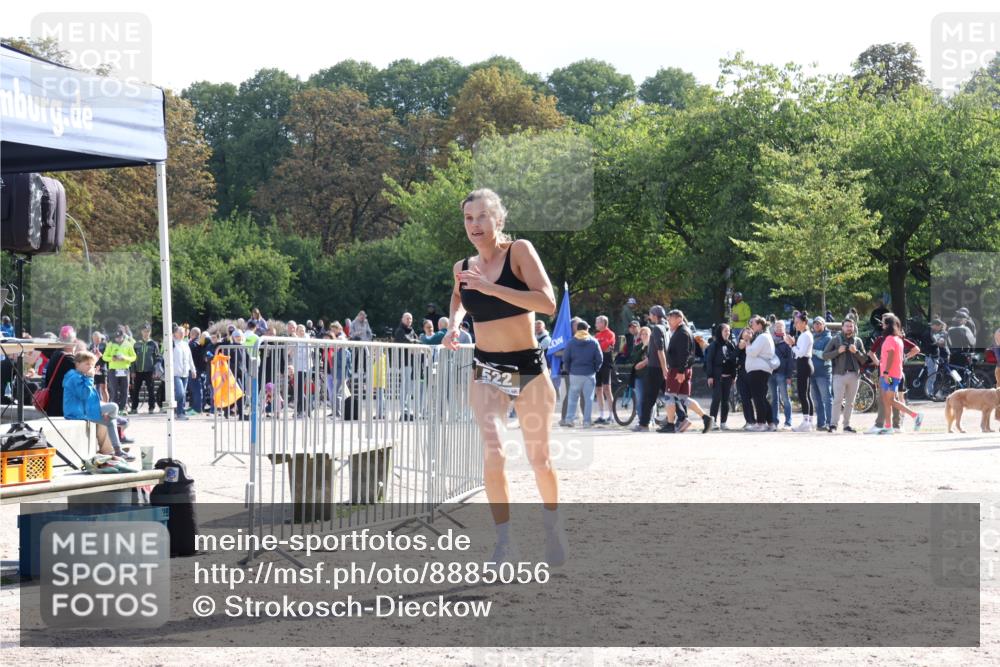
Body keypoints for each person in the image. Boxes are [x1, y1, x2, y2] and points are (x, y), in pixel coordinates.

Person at [443, 188, 566, 566]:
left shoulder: (520, 252)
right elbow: (459, 298)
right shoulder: (463, 266)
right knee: (494, 451)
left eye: (482, 217)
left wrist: (490, 288)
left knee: (539, 460)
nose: (475, 225)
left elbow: (546, 303)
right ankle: (504, 542)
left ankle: (551, 526)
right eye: (468, 218)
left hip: (527, 368)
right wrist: (454, 325)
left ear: (499, 220)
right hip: (488, 369)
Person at [63, 351, 136, 461]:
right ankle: (118, 442)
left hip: (85, 409)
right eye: (87, 364)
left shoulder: (80, 375)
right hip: (77, 412)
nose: (90, 367)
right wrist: (90, 378)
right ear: (77, 364)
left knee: (110, 420)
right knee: (113, 408)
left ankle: (118, 450)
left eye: (92, 365)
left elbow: (89, 397)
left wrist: (100, 407)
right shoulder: (74, 377)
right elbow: (84, 395)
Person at [871, 314, 924, 435]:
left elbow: (890, 357)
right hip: (892, 374)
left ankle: (915, 415)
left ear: (888, 325)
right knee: (887, 399)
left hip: (889, 375)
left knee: (890, 400)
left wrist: (885, 372)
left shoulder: (890, 339)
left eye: (884, 323)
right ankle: (888, 426)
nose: (882, 325)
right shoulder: (898, 339)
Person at [660, 309, 711, 433]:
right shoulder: (683, 331)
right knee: (683, 398)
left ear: (679, 318)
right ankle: (706, 418)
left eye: (670, 318)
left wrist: (681, 371)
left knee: (669, 396)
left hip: (678, 369)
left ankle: (670, 425)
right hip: (683, 369)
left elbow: (684, 353)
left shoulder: (682, 332)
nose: (668, 321)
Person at [823, 317, 867, 433]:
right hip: (839, 375)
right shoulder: (835, 340)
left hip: (854, 375)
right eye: (847, 326)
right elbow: (825, 355)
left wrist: (856, 352)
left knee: (850, 402)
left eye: (851, 326)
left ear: (854, 327)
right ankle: (833, 425)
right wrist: (838, 351)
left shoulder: (857, 341)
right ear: (842, 327)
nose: (849, 328)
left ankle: (846, 425)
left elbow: (864, 360)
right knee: (837, 400)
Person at [632, 306, 669, 432]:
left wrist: (664, 369)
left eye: (650, 314)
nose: (649, 316)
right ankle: (681, 418)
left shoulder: (658, 328)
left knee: (648, 397)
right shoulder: (666, 328)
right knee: (670, 395)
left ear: (655, 315)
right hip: (661, 367)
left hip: (655, 368)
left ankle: (644, 424)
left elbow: (660, 350)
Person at [560, 321, 603, 428]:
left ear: (577, 329)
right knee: (588, 399)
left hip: (575, 373)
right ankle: (587, 422)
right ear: (587, 329)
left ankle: (569, 419)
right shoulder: (594, 341)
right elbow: (600, 358)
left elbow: (565, 358)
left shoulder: (571, 342)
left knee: (572, 398)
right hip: (589, 374)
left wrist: (570, 370)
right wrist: (595, 369)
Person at [705, 323, 738, 430]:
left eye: (728, 331)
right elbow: (709, 361)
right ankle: (712, 422)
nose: (727, 333)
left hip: (728, 377)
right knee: (716, 399)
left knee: (725, 401)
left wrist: (734, 375)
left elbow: (733, 361)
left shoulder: (731, 344)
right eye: (725, 331)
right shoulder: (714, 345)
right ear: (720, 332)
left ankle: (723, 422)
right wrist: (710, 376)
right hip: (717, 377)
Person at [39, 326, 79, 417]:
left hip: (53, 404)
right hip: (63, 406)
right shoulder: (68, 359)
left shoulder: (56, 354)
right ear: (75, 342)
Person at [785, 311, 815, 432]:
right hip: (805, 363)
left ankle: (806, 422)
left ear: (804, 323)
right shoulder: (805, 334)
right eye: (795, 323)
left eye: (797, 323)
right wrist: (793, 344)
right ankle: (809, 422)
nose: (795, 325)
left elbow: (801, 352)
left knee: (803, 394)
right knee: (807, 394)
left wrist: (792, 345)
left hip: (804, 363)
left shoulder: (805, 335)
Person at [745, 316, 775, 431]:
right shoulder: (764, 336)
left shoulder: (762, 337)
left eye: (752, 323)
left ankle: (761, 423)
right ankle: (771, 422)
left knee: (758, 397)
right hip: (760, 370)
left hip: (758, 371)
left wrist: (748, 342)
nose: (751, 325)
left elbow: (752, 352)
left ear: (759, 325)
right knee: (761, 397)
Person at [768, 320, 794, 430]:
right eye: (777, 326)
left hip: (782, 374)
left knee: (785, 398)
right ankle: (775, 421)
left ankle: (788, 422)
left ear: (784, 328)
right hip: (771, 373)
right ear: (774, 328)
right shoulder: (770, 340)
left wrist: (789, 376)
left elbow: (790, 360)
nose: (778, 328)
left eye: (781, 327)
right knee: (774, 399)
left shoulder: (787, 341)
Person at [104, 325, 136, 412]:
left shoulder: (128, 344)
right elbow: (104, 357)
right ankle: (114, 409)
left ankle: (123, 408)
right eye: (116, 337)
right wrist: (111, 358)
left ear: (123, 336)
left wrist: (125, 358)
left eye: (120, 337)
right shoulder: (110, 344)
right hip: (113, 370)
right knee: (113, 390)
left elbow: (134, 357)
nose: (118, 339)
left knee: (124, 390)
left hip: (124, 370)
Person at [810, 317, 834, 431]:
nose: (817, 326)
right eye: (815, 324)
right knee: (817, 400)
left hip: (823, 373)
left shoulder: (828, 338)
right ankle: (821, 424)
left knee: (827, 399)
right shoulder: (812, 336)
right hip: (812, 373)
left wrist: (812, 351)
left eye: (819, 324)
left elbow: (825, 355)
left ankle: (830, 423)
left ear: (824, 325)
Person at [131, 324, 161, 414]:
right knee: (136, 390)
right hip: (138, 371)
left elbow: (157, 358)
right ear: (141, 332)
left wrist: (155, 370)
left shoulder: (154, 344)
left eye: (147, 331)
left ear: (150, 332)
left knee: (151, 390)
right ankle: (134, 408)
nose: (146, 333)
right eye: (144, 331)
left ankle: (151, 407)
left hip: (149, 371)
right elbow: (133, 358)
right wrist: (132, 371)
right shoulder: (136, 344)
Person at [593, 315, 616, 425]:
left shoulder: (610, 333)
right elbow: (596, 348)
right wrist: (600, 347)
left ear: (603, 323)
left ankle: (611, 415)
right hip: (597, 364)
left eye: (598, 322)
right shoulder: (596, 335)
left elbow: (604, 346)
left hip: (606, 364)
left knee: (607, 388)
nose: (596, 324)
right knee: (598, 390)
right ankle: (601, 415)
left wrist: (600, 347)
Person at [919, 319, 949, 400]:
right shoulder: (929, 333)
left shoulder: (932, 332)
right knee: (932, 376)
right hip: (931, 357)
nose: (940, 328)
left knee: (933, 376)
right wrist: (937, 343)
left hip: (933, 356)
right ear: (935, 325)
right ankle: (929, 394)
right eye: (940, 326)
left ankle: (930, 393)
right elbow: (930, 345)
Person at [171, 326, 196, 420]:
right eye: (179, 332)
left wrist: (193, 370)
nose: (182, 333)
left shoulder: (186, 344)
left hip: (185, 373)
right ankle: (179, 412)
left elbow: (190, 358)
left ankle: (180, 411)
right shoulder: (172, 343)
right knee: (180, 393)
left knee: (183, 393)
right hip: (175, 373)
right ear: (174, 333)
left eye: (183, 332)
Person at [628, 326, 650, 416]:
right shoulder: (638, 347)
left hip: (649, 376)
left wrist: (643, 363)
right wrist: (642, 348)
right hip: (639, 377)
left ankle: (650, 419)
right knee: (639, 398)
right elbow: (634, 359)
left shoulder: (653, 347)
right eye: (642, 334)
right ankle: (641, 419)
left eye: (646, 334)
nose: (644, 336)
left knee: (649, 399)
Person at [89, 331, 109, 403]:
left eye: (97, 339)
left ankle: (106, 404)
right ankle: (95, 404)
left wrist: (102, 356)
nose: (96, 340)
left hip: (102, 368)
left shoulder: (104, 345)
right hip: (94, 369)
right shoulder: (91, 346)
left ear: (100, 338)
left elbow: (107, 357)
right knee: (92, 388)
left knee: (104, 388)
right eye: (94, 339)